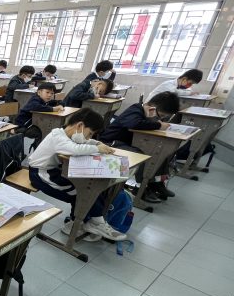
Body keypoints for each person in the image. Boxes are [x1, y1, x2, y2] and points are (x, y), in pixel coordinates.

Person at [28, 108, 126, 241]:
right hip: (40, 174)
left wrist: (97, 143)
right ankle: (77, 224)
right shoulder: (57, 136)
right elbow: (75, 149)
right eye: (90, 134)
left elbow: (84, 142)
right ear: (80, 125)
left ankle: (93, 221)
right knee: (80, 192)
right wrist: (97, 148)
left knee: (90, 189)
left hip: (53, 172)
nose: (89, 138)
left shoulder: (69, 136)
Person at [100, 91, 180, 202]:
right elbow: (134, 124)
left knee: (161, 151)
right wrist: (158, 125)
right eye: (161, 116)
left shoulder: (146, 113)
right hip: (111, 142)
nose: (160, 119)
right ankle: (139, 189)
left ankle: (156, 184)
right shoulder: (135, 110)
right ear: (152, 108)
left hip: (128, 142)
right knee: (141, 155)